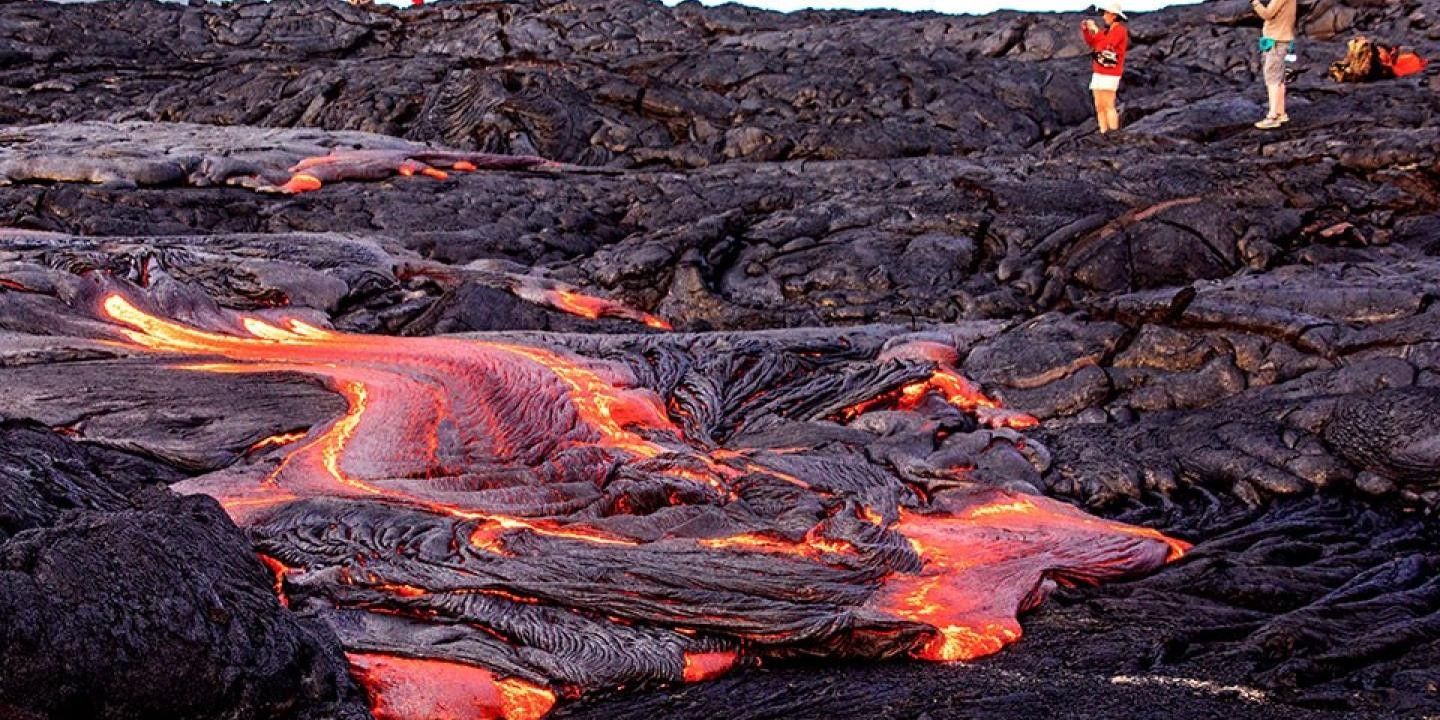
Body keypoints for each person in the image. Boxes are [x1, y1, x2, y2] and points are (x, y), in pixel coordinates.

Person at [1081, 2, 1129, 135]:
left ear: (1113, 15)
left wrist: (1095, 30)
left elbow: (1107, 45)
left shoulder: (1120, 30)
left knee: (1108, 104)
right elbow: (1092, 42)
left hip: (1111, 73)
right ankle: (1103, 132)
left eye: (1106, 13)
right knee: (1099, 106)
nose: (1103, 16)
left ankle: (1113, 133)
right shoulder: (1106, 32)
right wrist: (1086, 30)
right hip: (1099, 72)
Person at [1252, 0, 1297, 129]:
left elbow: (1267, 14)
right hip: (1282, 40)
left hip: (1277, 42)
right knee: (1279, 79)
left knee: (1272, 79)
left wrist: (1255, 3)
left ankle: (1273, 116)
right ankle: (1280, 113)